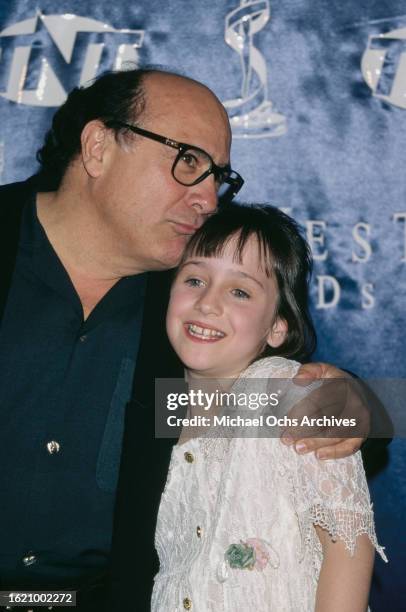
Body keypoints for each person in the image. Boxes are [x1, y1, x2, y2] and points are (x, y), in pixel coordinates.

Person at [0, 68, 373, 611]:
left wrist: (353, 401)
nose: (208, 198)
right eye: (188, 161)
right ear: (99, 147)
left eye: (218, 176)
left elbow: (279, 408)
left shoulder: (185, 305)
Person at [154, 203, 387, 611]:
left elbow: (347, 543)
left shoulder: (288, 392)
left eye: (240, 291)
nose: (208, 303)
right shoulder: (155, 413)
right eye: (194, 279)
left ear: (278, 326)